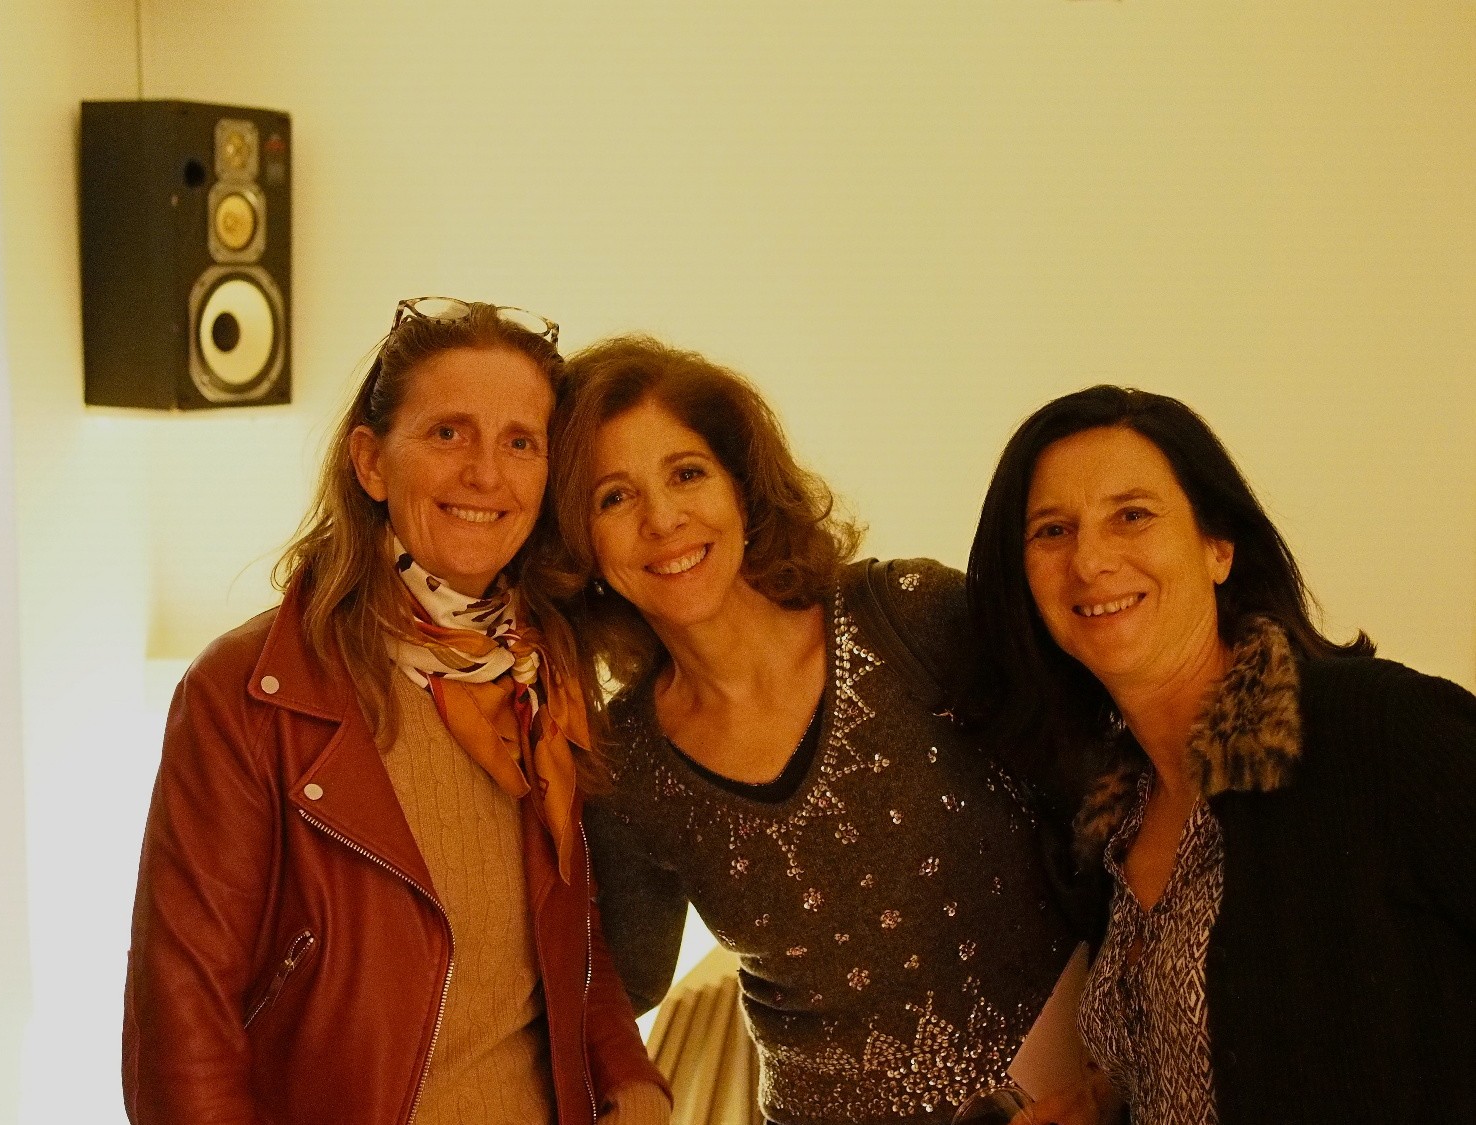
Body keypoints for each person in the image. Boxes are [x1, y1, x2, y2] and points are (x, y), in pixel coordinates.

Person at [122, 299, 670, 1125]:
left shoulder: (543, 676)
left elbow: (571, 945)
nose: (485, 473)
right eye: (449, 433)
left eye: (520, 442)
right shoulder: (247, 690)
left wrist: (632, 1081)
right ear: (372, 462)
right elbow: (180, 1022)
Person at [536, 335, 1077, 1125]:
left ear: (742, 485)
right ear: (579, 543)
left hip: (1071, 1101)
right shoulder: (624, 763)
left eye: (687, 473)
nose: (663, 519)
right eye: (613, 498)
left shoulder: (912, 616)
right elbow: (618, 988)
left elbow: (1108, 807)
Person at [966, 384, 1476, 1124]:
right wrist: (1108, 1102)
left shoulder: (1377, 730)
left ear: (1218, 546)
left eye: (1132, 515)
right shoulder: (1108, 823)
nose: (1090, 560)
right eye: (1052, 530)